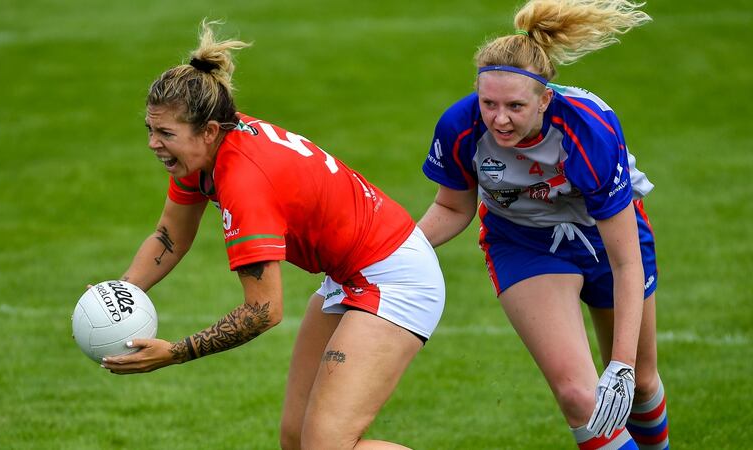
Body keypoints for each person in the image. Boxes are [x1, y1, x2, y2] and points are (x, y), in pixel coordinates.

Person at [99, 20, 445, 450]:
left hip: (395, 277)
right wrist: (117, 297)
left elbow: (263, 310)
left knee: (326, 446)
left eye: (166, 133)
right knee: (297, 439)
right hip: (352, 271)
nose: (154, 144)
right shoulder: (201, 155)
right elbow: (170, 235)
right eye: (150, 130)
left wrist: (175, 352)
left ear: (208, 131)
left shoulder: (244, 180)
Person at [417, 1, 669, 449]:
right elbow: (454, 208)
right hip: (522, 242)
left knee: (641, 385)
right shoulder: (460, 125)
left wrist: (623, 365)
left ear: (545, 98)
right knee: (579, 396)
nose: (499, 119)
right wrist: (389, 252)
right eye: (488, 103)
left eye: (515, 105)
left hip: (603, 236)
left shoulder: (588, 129)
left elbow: (625, 263)